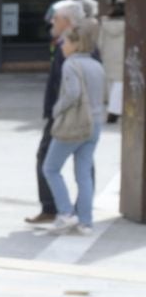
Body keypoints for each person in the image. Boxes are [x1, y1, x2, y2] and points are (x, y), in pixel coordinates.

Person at [42, 23, 105, 236]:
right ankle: (85, 221)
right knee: (84, 173)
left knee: (50, 168)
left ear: (76, 44)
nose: (62, 45)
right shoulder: (97, 65)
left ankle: (65, 212)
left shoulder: (71, 64)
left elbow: (72, 93)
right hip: (95, 124)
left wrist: (56, 111)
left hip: (75, 124)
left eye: (66, 41)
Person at [29, 0, 83, 224]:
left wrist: (56, 110)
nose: (52, 21)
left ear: (67, 21)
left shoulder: (71, 44)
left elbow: (70, 86)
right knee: (82, 161)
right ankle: (78, 211)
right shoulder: (68, 41)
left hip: (64, 114)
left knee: (48, 161)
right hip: (67, 113)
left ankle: (56, 209)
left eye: (56, 18)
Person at [101, 0, 126, 122]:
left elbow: (100, 43)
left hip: (108, 57)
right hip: (123, 57)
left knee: (112, 84)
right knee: (119, 84)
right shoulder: (128, 25)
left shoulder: (105, 24)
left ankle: (115, 108)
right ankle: (114, 111)